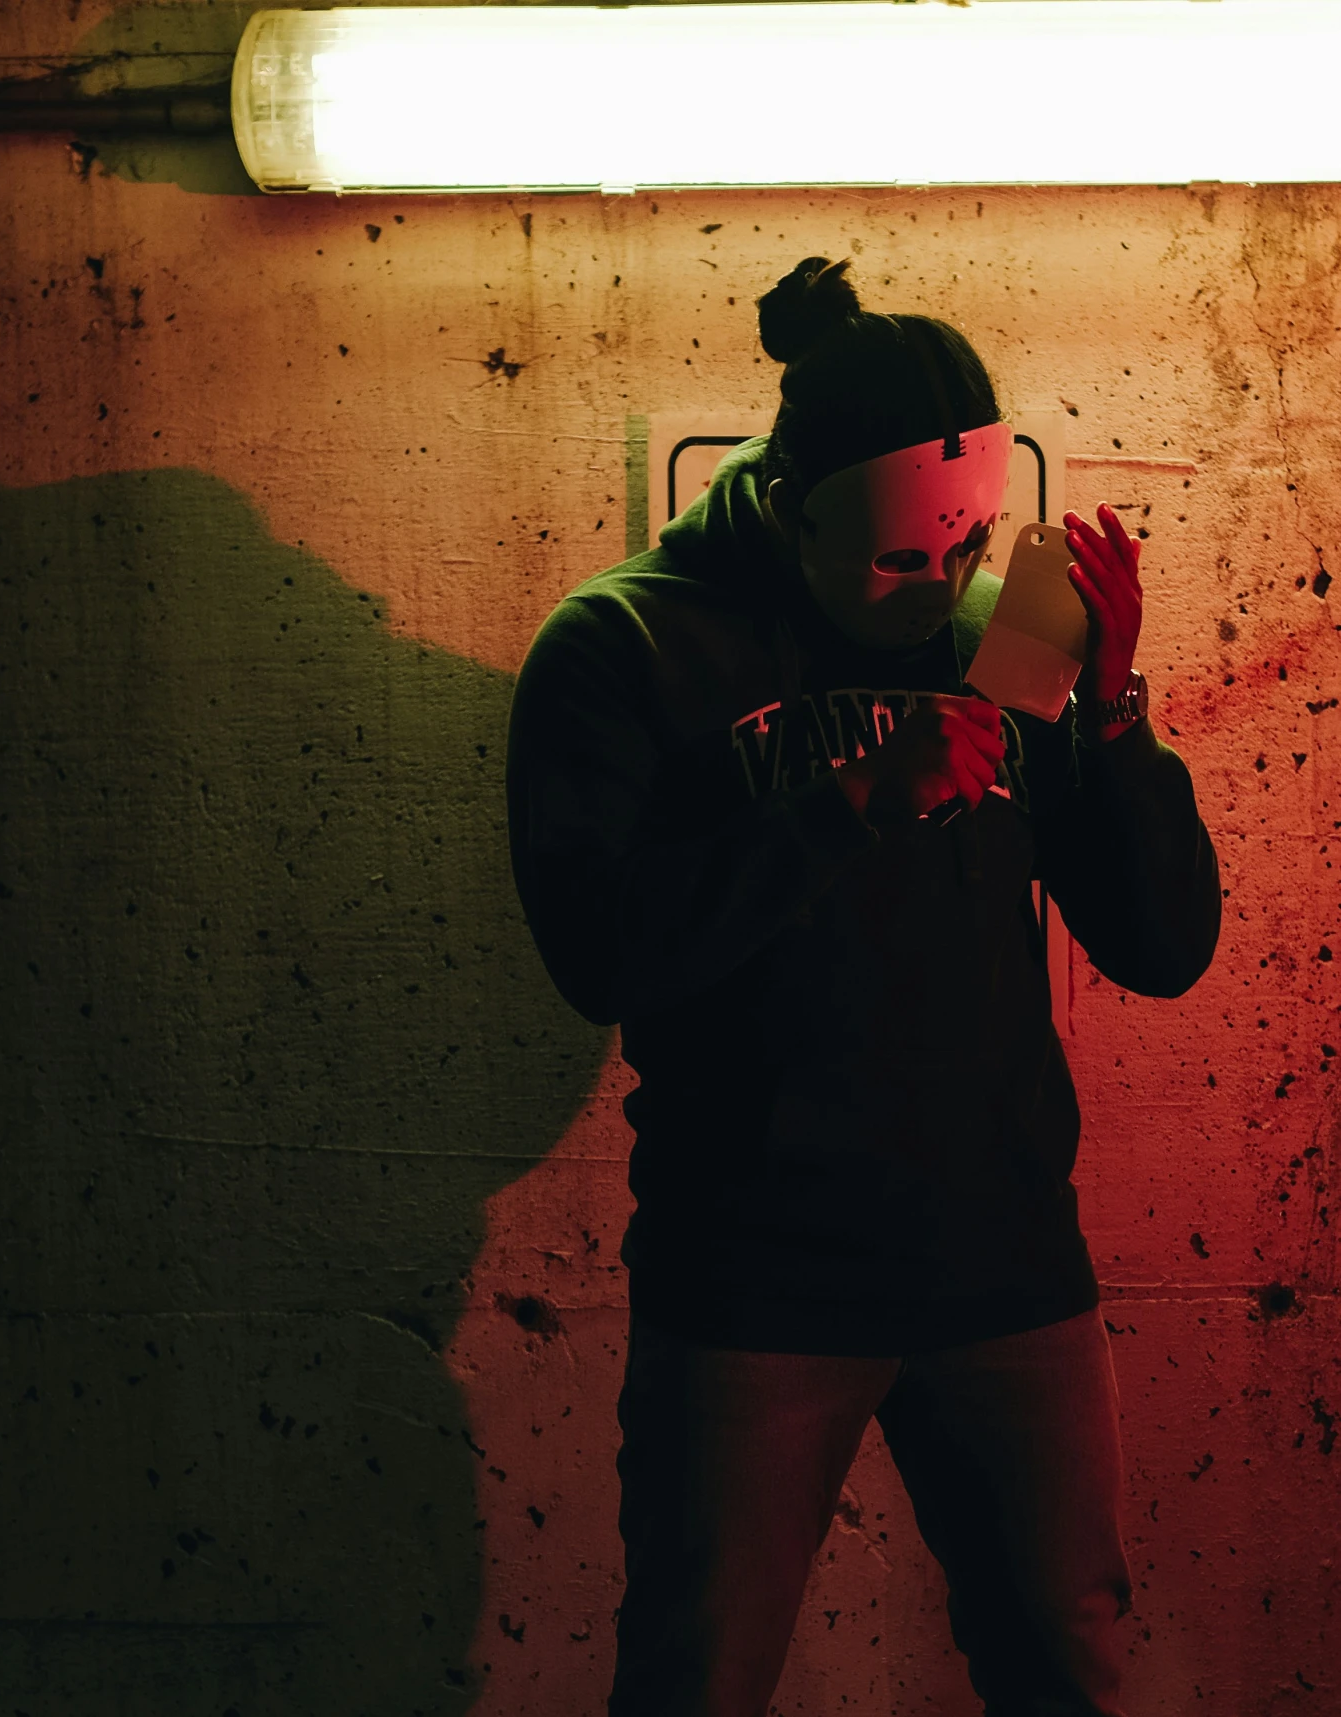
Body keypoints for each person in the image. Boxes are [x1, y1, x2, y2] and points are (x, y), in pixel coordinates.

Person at [505, 256, 1221, 1717]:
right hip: (754, 1279)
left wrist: (1114, 710)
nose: (936, 592)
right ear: (786, 496)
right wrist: (839, 808)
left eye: (959, 557)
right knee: (699, 1677)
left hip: (1004, 1263)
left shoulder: (989, 648)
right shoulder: (625, 644)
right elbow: (598, 954)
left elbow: (1159, 946)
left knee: (1075, 1656)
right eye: (902, 561)